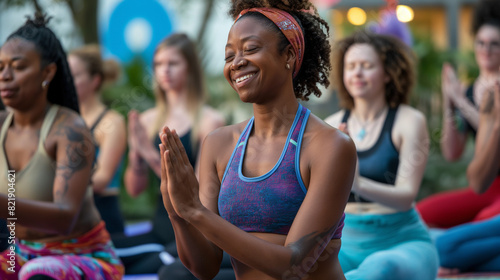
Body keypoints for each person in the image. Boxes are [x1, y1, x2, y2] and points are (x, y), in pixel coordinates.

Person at [157, 0, 357, 279]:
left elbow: (293, 265)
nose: (237, 63)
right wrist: (177, 212)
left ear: (288, 55)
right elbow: (205, 267)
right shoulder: (218, 144)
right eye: (229, 56)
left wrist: (196, 211)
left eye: (250, 49)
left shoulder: (330, 146)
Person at [0, 14, 123, 279]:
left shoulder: (70, 130)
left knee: (37, 274)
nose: (5, 76)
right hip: (19, 253)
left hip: (82, 254)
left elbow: (64, 217)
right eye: (0, 67)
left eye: (18, 67)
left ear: (47, 72)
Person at [324, 31, 439, 280]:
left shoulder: (409, 121)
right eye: (351, 66)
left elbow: (405, 197)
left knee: (380, 268)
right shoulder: (330, 126)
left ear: (387, 73)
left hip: (401, 243)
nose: (357, 73)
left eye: (367, 66)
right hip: (346, 241)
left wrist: (357, 184)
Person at [111, 32, 225, 275]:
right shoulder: (148, 120)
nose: (165, 71)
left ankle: (168, 259)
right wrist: (136, 157)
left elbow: (197, 194)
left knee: (111, 260)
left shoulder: (209, 121)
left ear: (190, 68)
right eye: (159, 64)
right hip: (159, 228)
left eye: (173, 63)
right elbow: (135, 189)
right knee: (100, 251)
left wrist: (149, 153)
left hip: (192, 234)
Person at [417, 0, 500, 228]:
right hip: (485, 186)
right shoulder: (470, 90)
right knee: (423, 213)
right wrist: (449, 101)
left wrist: (461, 102)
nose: (486, 49)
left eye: (494, 44)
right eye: (481, 43)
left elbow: (495, 131)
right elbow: (452, 152)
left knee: (481, 222)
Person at [436, 80, 500, 275]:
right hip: (492, 190)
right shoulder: (493, 95)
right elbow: (478, 182)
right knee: (444, 246)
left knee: (447, 248)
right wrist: (497, 126)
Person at [68, 44, 127, 235]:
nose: (67, 80)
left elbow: (101, 179)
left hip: (102, 220)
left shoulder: (111, 122)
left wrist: (57, 188)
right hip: (68, 218)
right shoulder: (62, 120)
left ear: (95, 80)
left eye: (75, 75)